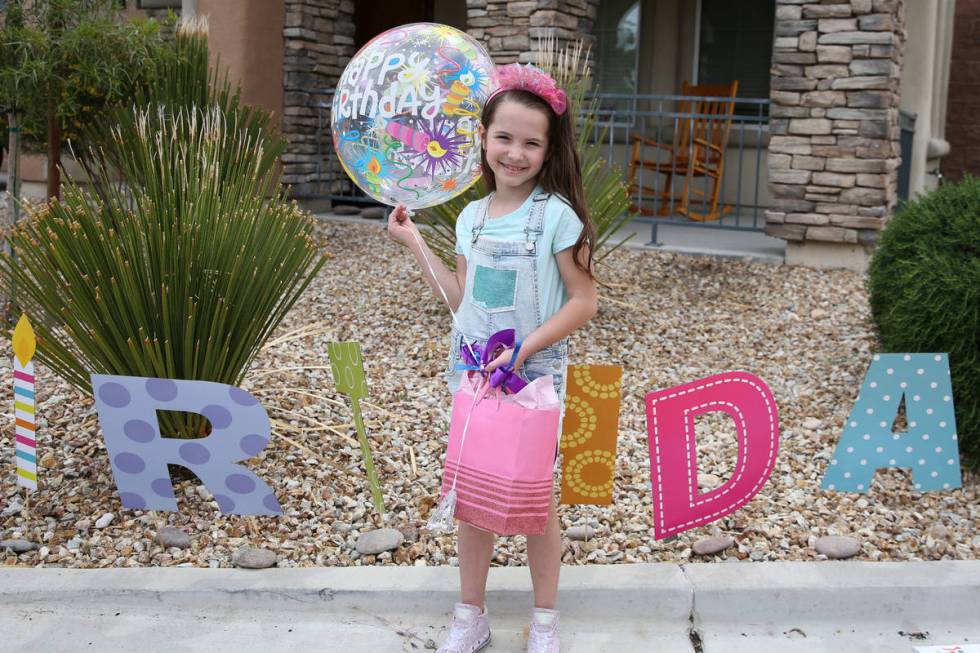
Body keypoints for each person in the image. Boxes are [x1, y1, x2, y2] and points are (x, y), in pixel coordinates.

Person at [387, 63, 598, 653]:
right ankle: (469, 614)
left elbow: (584, 302)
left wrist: (525, 350)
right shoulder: (469, 219)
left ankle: (546, 620)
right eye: (504, 138)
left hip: (531, 382)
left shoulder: (557, 216)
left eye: (531, 142)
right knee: (473, 502)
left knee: (536, 501)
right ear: (483, 138)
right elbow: (462, 302)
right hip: (475, 379)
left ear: (549, 150)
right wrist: (414, 244)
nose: (515, 152)